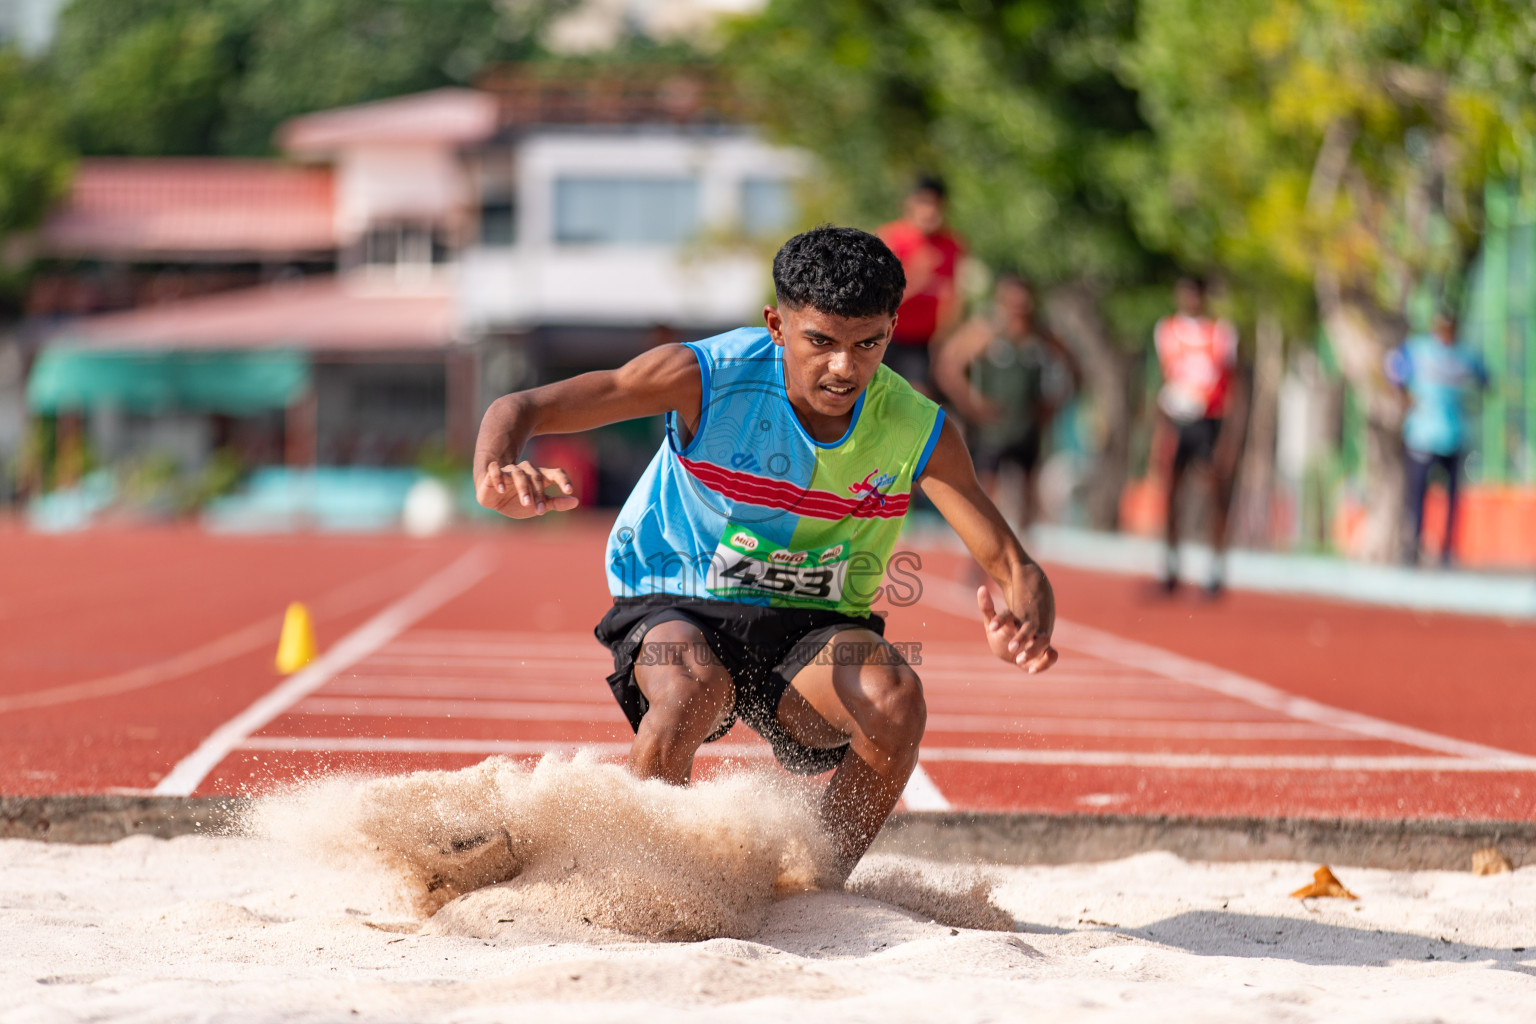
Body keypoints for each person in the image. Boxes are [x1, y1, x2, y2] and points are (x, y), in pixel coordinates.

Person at [473, 226, 1057, 884]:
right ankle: (632, 882)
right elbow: (520, 406)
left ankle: (813, 884)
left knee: (895, 700)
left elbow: (1015, 565)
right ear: (777, 325)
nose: (844, 368)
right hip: (680, 598)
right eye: (821, 342)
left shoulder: (917, 427)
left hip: (809, 627)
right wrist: (496, 469)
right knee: (690, 687)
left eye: (869, 343)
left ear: (893, 329)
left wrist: (1029, 623)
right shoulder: (706, 378)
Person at [932, 272, 1081, 529]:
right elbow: (948, 366)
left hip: (1027, 425)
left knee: (1027, 493)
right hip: (993, 428)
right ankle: (980, 558)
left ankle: (1020, 556)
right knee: (985, 490)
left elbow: (1075, 369)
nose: (1017, 309)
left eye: (1023, 303)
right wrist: (971, 404)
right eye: (1011, 303)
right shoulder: (986, 331)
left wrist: (1054, 405)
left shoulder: (1042, 335)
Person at [1152, 276, 1245, 595]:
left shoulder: (1221, 334)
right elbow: (1163, 380)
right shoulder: (1167, 331)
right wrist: (1159, 430)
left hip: (1209, 421)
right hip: (1176, 421)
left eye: (1195, 294)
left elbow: (1233, 386)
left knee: (1213, 494)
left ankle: (1215, 568)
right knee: (1171, 494)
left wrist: (1228, 437)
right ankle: (1171, 565)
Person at [1384, 311, 1488, 565]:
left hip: (1454, 436)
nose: (1446, 331)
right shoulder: (1419, 350)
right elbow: (1392, 366)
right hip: (1422, 437)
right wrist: (1404, 397)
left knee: (1453, 497)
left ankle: (1447, 551)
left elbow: (1485, 378)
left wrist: (1472, 397)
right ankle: (1412, 547)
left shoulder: (1465, 355)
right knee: (1417, 496)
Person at [876, 176, 967, 396]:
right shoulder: (891, 239)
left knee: (920, 397)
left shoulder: (951, 244)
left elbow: (953, 296)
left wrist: (946, 338)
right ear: (910, 204)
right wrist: (916, 278)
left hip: (924, 343)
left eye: (936, 204)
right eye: (924, 202)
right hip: (887, 335)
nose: (930, 211)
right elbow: (875, 299)